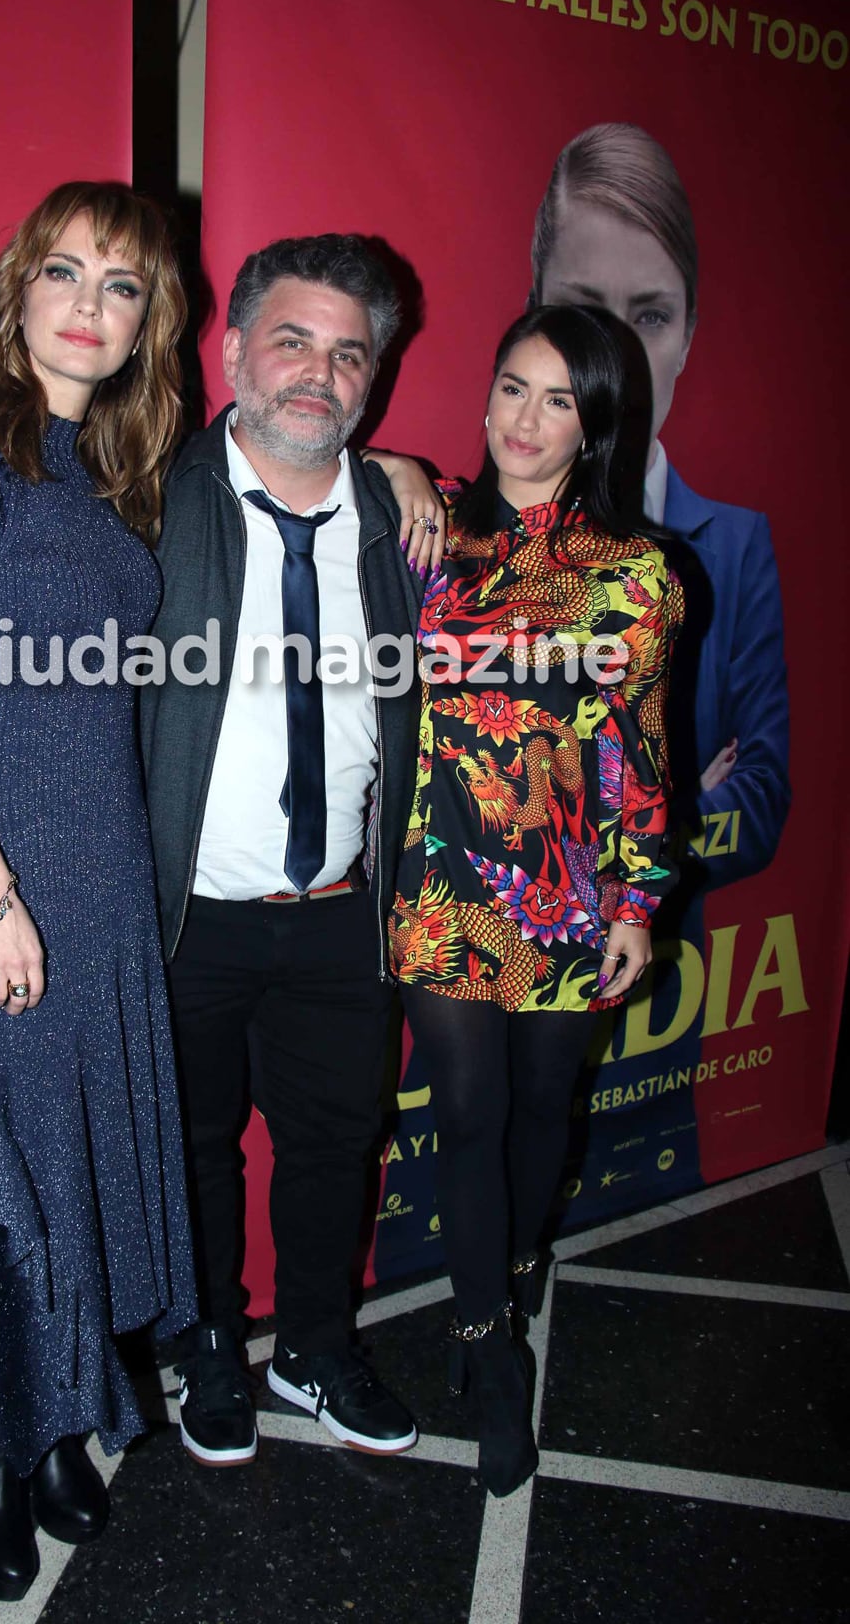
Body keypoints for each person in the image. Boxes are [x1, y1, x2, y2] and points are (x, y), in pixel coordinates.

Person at [0, 182, 197, 1603]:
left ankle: (62, 1406)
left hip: (105, 871)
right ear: (15, 296)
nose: (88, 302)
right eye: (62, 272)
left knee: (76, 1158)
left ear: (145, 325)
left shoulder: (116, 473)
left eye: (120, 285)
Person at [138, 235, 437, 1469]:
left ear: (373, 382)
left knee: (331, 1147)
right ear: (234, 352)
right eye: (293, 341)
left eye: (347, 353)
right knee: (195, 1143)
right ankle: (212, 1341)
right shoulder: (148, 494)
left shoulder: (407, 520)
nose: (317, 373)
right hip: (188, 913)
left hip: (338, 913)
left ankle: (314, 1344)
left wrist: (414, 473)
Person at [389, 303, 683, 1496]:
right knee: (464, 1109)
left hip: (566, 891)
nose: (525, 419)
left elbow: (643, 745)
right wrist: (394, 462)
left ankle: (509, 1275)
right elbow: (316, 466)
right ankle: (484, 1345)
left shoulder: (636, 574)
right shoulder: (424, 537)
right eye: (513, 387)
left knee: (540, 1109)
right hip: (441, 880)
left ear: (596, 424)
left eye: (558, 399)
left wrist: (635, 900)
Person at [529, 121, 789, 889]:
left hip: (670, 986)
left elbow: (762, 802)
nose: (616, 355)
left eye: (648, 317)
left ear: (686, 336)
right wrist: (675, 809)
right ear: (533, 313)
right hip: (493, 971)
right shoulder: (466, 533)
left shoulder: (734, 548)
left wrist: (622, 861)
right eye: (583, 310)